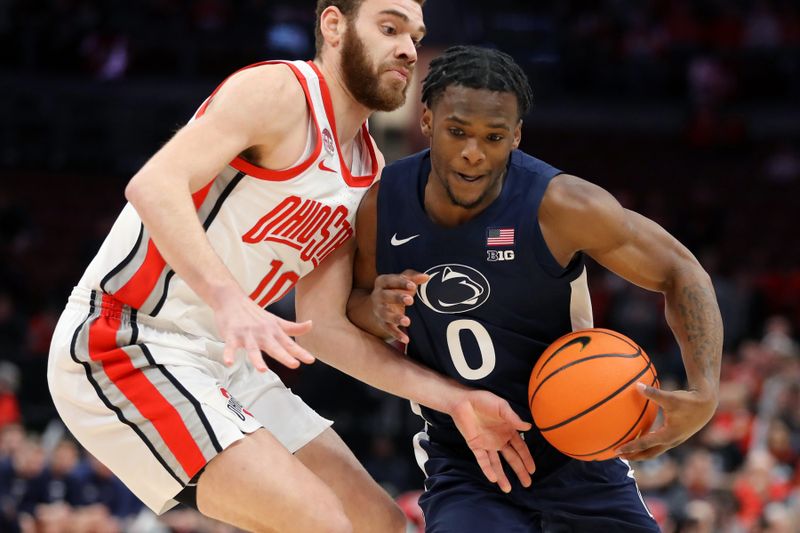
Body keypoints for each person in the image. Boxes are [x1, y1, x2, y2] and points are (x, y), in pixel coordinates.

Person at [47, 4, 536, 532]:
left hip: (228, 365)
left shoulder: (369, 174)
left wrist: (458, 401)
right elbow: (153, 185)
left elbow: (323, 331)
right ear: (333, 26)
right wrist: (228, 299)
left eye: (415, 37)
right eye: (390, 28)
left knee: (382, 525)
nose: (408, 49)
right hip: (125, 338)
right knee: (321, 522)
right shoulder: (281, 93)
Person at [348, 45, 724, 532]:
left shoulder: (563, 206)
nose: (472, 152)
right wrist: (375, 310)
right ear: (426, 119)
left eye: (494, 137)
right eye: (457, 131)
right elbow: (353, 304)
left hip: (577, 446)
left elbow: (682, 270)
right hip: (467, 454)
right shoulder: (383, 203)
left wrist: (706, 389)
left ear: (517, 137)